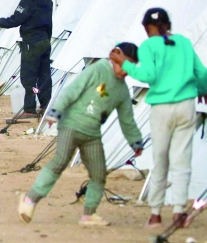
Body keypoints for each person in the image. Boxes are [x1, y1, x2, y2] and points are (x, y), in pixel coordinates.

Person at [20, 43, 144, 227]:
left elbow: (127, 119)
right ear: (115, 57)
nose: (126, 71)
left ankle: (89, 215)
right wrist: (55, 111)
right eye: (124, 64)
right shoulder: (97, 70)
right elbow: (72, 90)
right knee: (60, 162)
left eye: (131, 66)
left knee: (98, 173)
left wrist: (135, 142)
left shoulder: (122, 90)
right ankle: (29, 200)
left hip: (92, 134)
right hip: (71, 124)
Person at [110, 8, 207, 229]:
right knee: (182, 159)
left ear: (147, 28)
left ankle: (155, 214)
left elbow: (149, 76)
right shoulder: (183, 42)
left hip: (162, 108)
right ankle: (178, 212)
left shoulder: (148, 46)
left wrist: (125, 63)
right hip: (186, 105)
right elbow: (201, 72)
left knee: (161, 159)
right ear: (168, 25)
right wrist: (202, 90)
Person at [0, 0, 53, 119]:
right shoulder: (48, 0)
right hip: (45, 41)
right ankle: (45, 106)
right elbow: (50, 23)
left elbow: (16, 19)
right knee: (44, 75)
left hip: (31, 43)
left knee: (29, 77)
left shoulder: (28, 0)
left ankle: (29, 109)